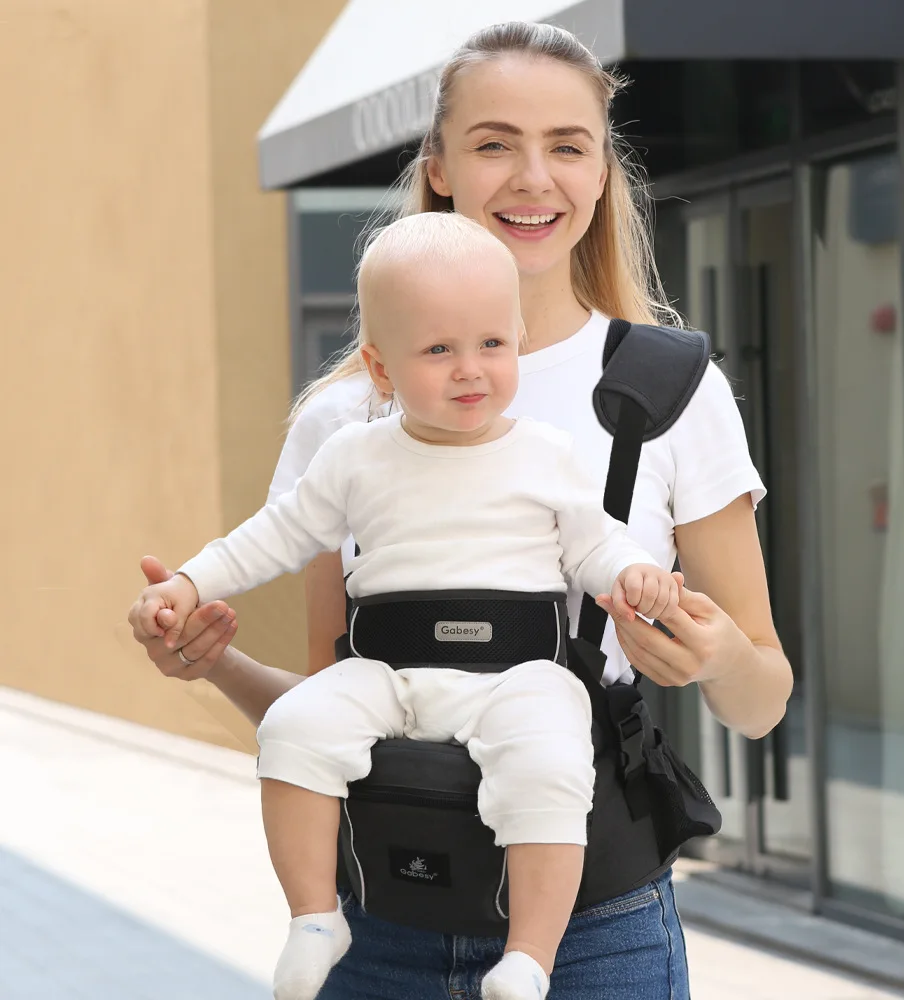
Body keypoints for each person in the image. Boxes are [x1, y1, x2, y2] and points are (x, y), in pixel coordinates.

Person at [129, 20, 793, 1000]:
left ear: (602, 172)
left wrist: (713, 656)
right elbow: (332, 694)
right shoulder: (346, 415)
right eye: (494, 144)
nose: (534, 177)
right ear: (439, 167)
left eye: (567, 145)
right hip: (379, 926)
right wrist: (210, 656)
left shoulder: (668, 390)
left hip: (596, 934)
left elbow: (762, 698)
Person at [132, 213, 683, 1000]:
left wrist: (635, 574)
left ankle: (529, 955)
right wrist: (187, 584)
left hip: (517, 672)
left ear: (518, 340)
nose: (470, 370)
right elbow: (273, 536)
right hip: (388, 670)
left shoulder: (545, 454)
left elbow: (596, 545)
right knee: (296, 728)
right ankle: (315, 916)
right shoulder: (353, 456)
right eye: (438, 350)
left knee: (551, 761)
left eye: (492, 344)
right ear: (379, 366)